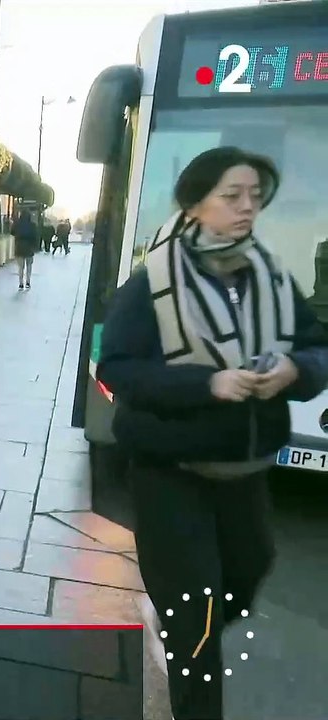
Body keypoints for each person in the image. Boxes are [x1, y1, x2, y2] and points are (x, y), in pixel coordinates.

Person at [96, 147, 328, 720]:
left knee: (247, 576)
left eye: (256, 196)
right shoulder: (151, 283)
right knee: (197, 620)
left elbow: (317, 347)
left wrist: (296, 370)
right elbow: (117, 368)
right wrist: (208, 384)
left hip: (245, 472)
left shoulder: (274, 278)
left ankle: (174, 623)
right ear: (195, 204)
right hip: (170, 473)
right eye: (232, 195)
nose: (248, 206)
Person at [11, 210, 40, 290]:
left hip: (19, 247)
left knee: (21, 267)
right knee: (29, 265)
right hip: (29, 248)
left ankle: (21, 283)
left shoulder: (17, 224)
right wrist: (35, 247)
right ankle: (28, 282)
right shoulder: (32, 225)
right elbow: (36, 237)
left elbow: (12, 232)